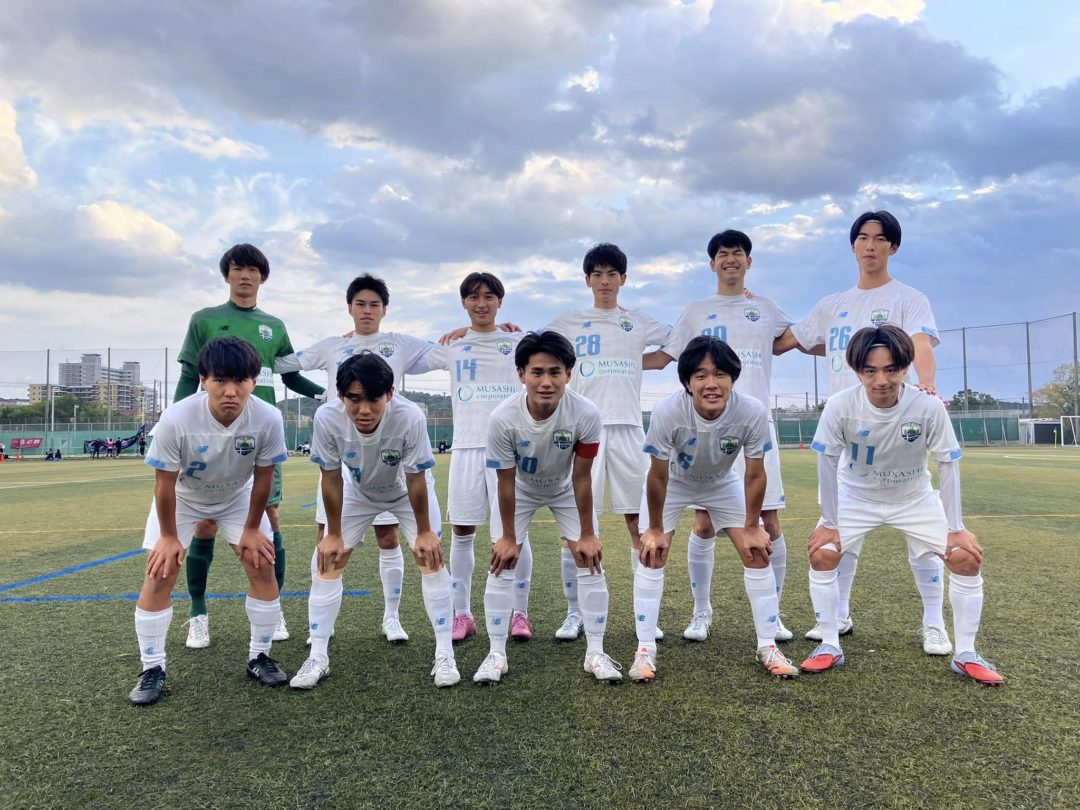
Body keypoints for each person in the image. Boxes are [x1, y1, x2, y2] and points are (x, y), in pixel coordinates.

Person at [774, 211, 949, 655]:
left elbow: (920, 343)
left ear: (894, 247)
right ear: (853, 245)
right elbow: (794, 339)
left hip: (895, 426)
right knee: (839, 536)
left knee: (924, 538)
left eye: (880, 238)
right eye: (863, 238)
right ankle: (838, 617)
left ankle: (934, 624)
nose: (870, 245)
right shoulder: (832, 304)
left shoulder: (909, 298)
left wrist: (927, 384)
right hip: (848, 430)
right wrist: (746, 324)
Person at [801, 325, 1002, 685]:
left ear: (906, 367)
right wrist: (829, 522)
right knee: (824, 552)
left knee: (964, 557)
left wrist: (956, 529)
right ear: (857, 370)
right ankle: (830, 643)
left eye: (891, 369)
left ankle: (964, 651)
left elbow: (947, 463)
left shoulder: (927, 406)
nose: (881, 380)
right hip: (856, 497)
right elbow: (826, 463)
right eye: (870, 370)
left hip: (913, 498)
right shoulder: (840, 406)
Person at [645, 230, 796, 643]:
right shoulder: (696, 311)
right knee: (704, 522)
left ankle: (773, 615)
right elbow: (665, 357)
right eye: (723, 254)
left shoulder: (766, 308)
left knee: (769, 522)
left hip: (754, 426)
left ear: (749, 261)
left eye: (738, 253)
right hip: (705, 431)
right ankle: (701, 612)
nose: (731, 259)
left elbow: (796, 339)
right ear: (712, 264)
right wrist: (607, 360)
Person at [276, 274, 442, 644]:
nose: (367, 311)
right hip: (346, 454)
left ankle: (392, 617)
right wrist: (317, 393)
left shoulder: (399, 344)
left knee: (388, 536)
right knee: (327, 538)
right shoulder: (332, 346)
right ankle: (322, 626)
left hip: (388, 455)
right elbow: (285, 364)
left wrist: (476, 334)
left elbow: (443, 353)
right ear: (349, 308)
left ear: (385, 310)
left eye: (374, 304)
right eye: (360, 304)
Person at [174, 243, 324, 649]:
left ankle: (272, 608)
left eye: (253, 270)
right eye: (238, 268)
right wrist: (174, 425)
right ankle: (198, 613)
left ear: (263, 277)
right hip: (207, 437)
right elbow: (189, 377)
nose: (245, 275)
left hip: (257, 439)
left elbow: (291, 377)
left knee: (269, 518)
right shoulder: (204, 319)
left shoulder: (274, 326)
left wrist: (328, 395)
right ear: (227, 275)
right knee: (205, 522)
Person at [128, 337, 291, 705]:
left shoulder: (268, 417)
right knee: (161, 571)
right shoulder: (176, 418)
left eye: (240, 381)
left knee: (261, 564)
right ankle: (152, 668)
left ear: (254, 380)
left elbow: (264, 477)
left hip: (237, 497)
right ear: (203, 379)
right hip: (184, 498)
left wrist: (252, 528)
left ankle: (259, 656)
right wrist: (168, 536)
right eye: (220, 380)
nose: (230, 391)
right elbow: (163, 484)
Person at [631, 336, 798, 682]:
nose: (711, 383)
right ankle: (644, 650)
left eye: (720, 374)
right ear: (687, 382)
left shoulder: (752, 411)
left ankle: (768, 646)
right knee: (652, 552)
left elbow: (755, 473)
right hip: (675, 481)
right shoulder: (668, 412)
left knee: (756, 550)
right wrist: (656, 529)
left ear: (733, 378)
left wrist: (752, 525)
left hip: (722, 482)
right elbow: (657, 476)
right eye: (701, 375)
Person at [289, 353, 458, 689]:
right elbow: (331, 477)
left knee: (430, 557)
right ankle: (318, 656)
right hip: (359, 491)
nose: (364, 410)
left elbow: (416, 478)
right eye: (354, 399)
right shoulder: (327, 418)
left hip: (406, 491)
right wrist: (333, 533)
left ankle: (445, 653)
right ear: (341, 396)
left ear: (390, 394)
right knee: (329, 558)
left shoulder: (410, 417)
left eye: (373, 399)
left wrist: (425, 531)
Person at [473, 331, 621, 685]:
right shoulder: (502, 418)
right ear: (521, 374)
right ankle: (496, 654)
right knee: (502, 561)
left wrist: (587, 534)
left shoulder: (586, 413)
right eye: (536, 372)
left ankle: (595, 652)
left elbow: (582, 477)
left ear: (568, 374)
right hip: (520, 489)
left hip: (565, 487)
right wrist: (508, 537)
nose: (546, 382)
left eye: (555, 372)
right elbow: (505, 481)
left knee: (589, 558)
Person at [544, 243, 672, 642]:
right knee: (576, 525)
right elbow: (536, 350)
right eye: (597, 274)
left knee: (639, 522)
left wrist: (639, 363)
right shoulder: (570, 321)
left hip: (629, 430)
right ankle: (575, 613)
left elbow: (676, 345)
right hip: (582, 430)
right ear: (587, 280)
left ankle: (644, 613)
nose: (604, 281)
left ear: (623, 279)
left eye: (612, 274)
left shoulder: (637, 321)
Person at [422, 273, 528, 643]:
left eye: (488, 296)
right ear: (464, 302)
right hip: (466, 448)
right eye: (473, 297)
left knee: (515, 533)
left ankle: (520, 613)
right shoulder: (452, 345)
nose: (481, 304)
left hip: (508, 449)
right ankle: (463, 614)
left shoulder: (518, 341)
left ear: (500, 301)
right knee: (462, 531)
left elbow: (554, 350)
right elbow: (406, 356)